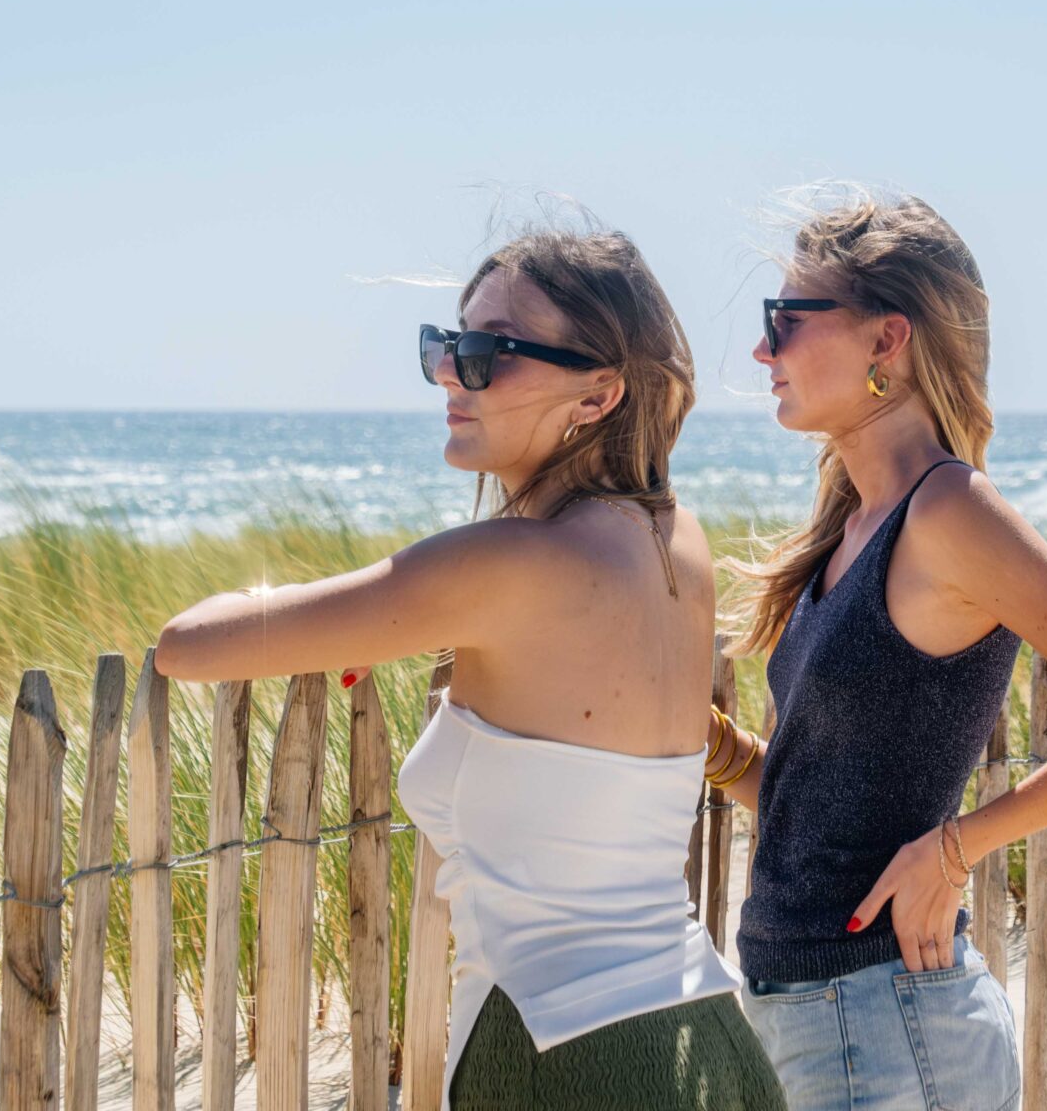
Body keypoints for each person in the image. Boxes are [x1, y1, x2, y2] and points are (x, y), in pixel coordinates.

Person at [155, 222, 787, 1111]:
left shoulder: (499, 565)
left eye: (489, 353)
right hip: (708, 1040)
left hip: (561, 1055)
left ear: (599, 394)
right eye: (446, 347)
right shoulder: (673, 540)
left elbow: (189, 644)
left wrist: (329, 613)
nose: (453, 374)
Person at [710, 187, 1047, 1111]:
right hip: (813, 1017)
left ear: (886, 340)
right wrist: (720, 753)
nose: (761, 349)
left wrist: (959, 847)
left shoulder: (947, 512)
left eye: (785, 320)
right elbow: (822, 809)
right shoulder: (850, 528)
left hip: (887, 1025)